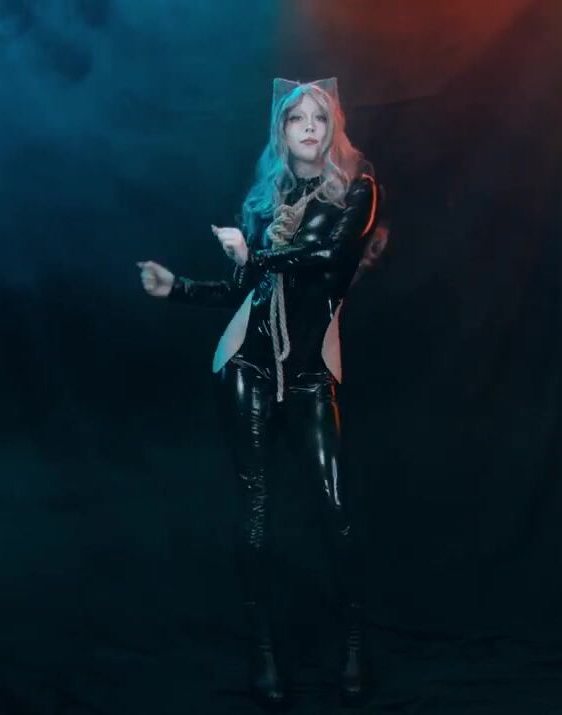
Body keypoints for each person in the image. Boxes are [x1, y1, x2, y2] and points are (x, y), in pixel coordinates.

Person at [136, 76, 385, 710]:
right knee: (255, 508)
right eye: (297, 118)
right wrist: (178, 288)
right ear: (282, 131)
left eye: (319, 118)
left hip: (309, 369)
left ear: (333, 129)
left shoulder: (358, 190)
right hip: (248, 359)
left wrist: (257, 256)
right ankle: (263, 652)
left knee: (334, 507)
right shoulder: (263, 202)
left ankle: (354, 645)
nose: (309, 127)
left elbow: (330, 255)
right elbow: (244, 289)